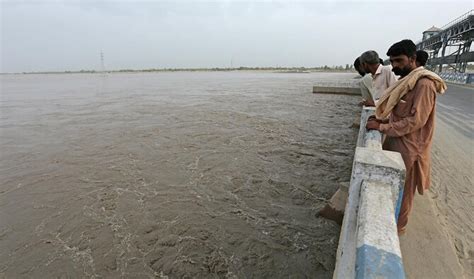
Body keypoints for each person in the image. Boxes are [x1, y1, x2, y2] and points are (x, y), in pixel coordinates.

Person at [366, 39, 447, 234]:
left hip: (410, 149)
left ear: (412, 59)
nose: (394, 66)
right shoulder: (407, 81)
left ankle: (396, 231)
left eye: (399, 61)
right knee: (392, 189)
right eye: (392, 61)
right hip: (397, 143)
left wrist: (382, 127)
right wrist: (382, 121)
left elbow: (415, 121)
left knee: (403, 194)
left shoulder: (424, 84)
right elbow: (399, 114)